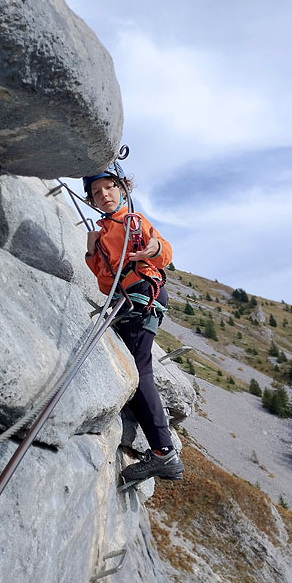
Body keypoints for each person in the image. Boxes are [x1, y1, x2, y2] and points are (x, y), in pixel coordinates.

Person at [83, 162, 184, 485]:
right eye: (97, 192)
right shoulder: (102, 235)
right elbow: (105, 283)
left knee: (140, 372)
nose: (104, 195)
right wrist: (91, 252)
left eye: (109, 187)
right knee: (136, 369)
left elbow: (164, 251)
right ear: (92, 200)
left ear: (122, 189)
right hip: (127, 299)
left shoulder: (133, 221)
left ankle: (163, 452)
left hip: (143, 295)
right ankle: (162, 450)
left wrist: (153, 249)